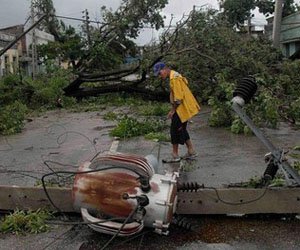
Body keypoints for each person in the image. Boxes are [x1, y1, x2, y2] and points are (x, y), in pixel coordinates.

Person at [153, 62, 200, 162]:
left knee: (174, 130)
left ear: (165, 69)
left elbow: (178, 99)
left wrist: (172, 111)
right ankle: (191, 151)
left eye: (159, 73)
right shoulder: (174, 76)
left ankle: (175, 155)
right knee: (181, 129)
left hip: (181, 109)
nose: (159, 76)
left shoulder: (174, 78)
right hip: (183, 108)